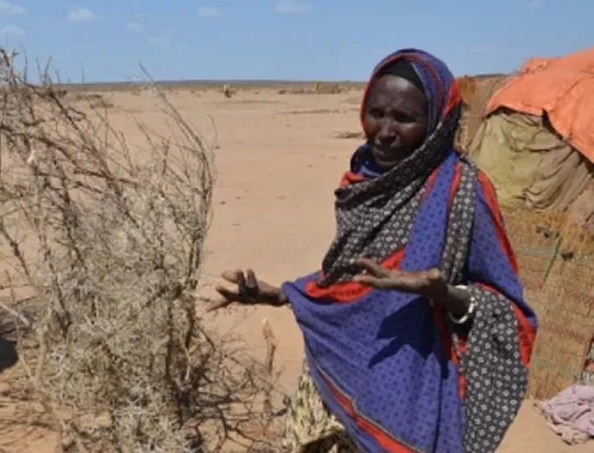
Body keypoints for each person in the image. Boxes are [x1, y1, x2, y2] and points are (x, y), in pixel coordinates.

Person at [205, 48, 539, 453]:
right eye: (376, 113)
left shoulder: (464, 191)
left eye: (404, 119)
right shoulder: (363, 180)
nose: (384, 130)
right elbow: (347, 281)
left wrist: (441, 292)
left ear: (435, 122)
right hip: (333, 375)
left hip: (410, 391)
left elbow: (511, 313)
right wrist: (278, 295)